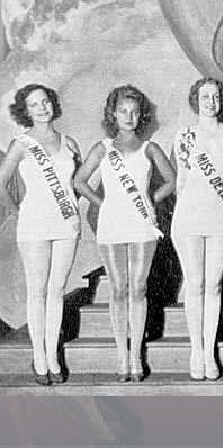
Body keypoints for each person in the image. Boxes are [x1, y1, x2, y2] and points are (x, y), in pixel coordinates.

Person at [74, 86, 175, 383]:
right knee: (118, 288)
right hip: (112, 224)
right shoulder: (103, 148)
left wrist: (150, 199)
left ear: (141, 115)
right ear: (113, 115)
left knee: (138, 287)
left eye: (134, 111)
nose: (129, 117)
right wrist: (101, 203)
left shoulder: (150, 148)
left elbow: (171, 181)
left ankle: (136, 356)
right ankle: (121, 354)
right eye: (123, 111)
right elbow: (79, 181)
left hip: (142, 223)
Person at [0, 85, 81, 385]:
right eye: (34, 105)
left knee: (57, 290)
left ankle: (53, 357)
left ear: (52, 104)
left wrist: (71, 208)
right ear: (26, 111)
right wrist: (15, 211)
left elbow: (76, 183)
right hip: (34, 224)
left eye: (45, 101)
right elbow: (1, 182)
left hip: (66, 224)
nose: (42, 108)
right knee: (37, 290)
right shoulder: (21, 144)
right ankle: (39, 358)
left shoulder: (69, 142)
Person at [171, 78, 223, 380]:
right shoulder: (184, 134)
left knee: (214, 284)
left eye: (215, 96)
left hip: (220, 216)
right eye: (205, 96)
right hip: (189, 215)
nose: (211, 102)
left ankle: (210, 352)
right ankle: (196, 351)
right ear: (195, 100)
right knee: (195, 283)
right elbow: (181, 181)